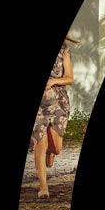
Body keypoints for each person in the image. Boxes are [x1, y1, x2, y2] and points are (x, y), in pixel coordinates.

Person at [31, 33, 79, 199]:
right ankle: (43, 187)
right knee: (39, 142)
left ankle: (50, 152)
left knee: (56, 148)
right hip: (40, 107)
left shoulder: (63, 50)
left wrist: (53, 81)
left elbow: (70, 78)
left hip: (58, 103)